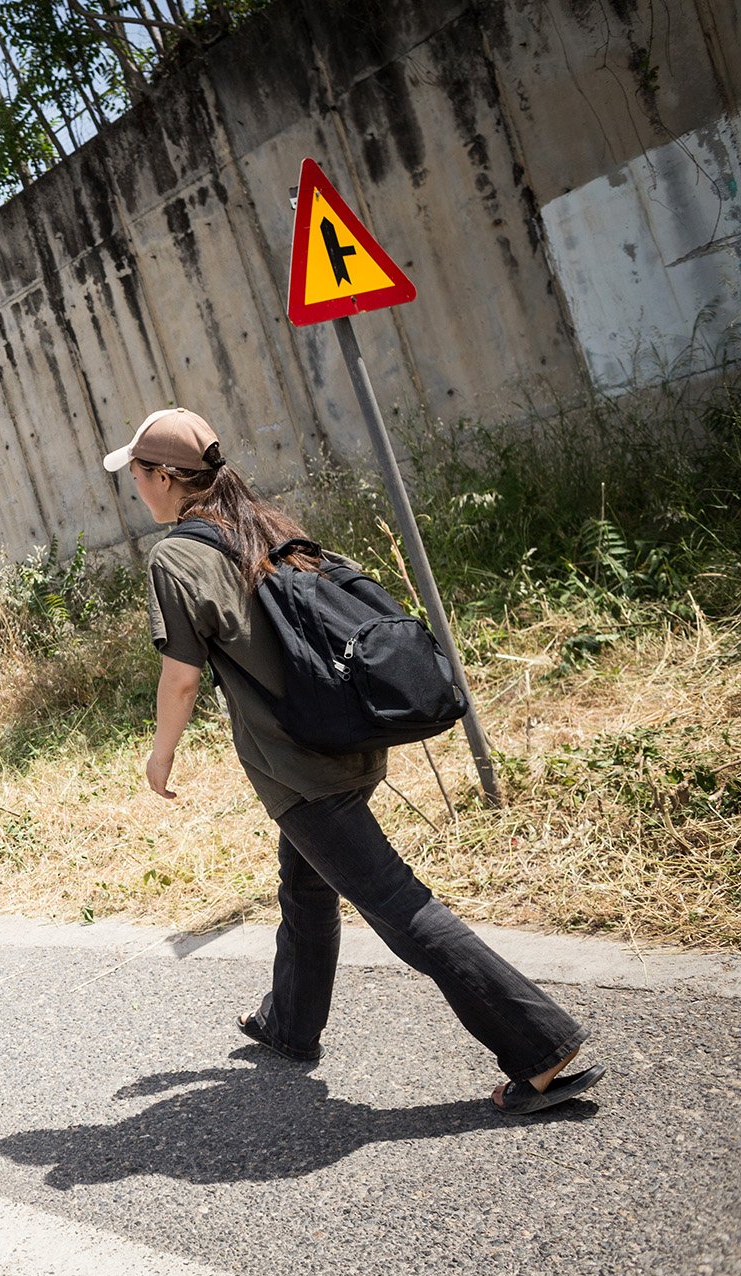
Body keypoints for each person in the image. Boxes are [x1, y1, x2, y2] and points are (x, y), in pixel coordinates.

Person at [106, 407, 605, 1116]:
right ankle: (290, 1025)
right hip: (349, 737)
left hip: (300, 768)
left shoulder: (177, 557)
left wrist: (161, 757)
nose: (136, 489)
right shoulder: (267, 524)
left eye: (137, 476)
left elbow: (181, 675)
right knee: (304, 883)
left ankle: (540, 1048)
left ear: (164, 477)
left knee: (403, 909)